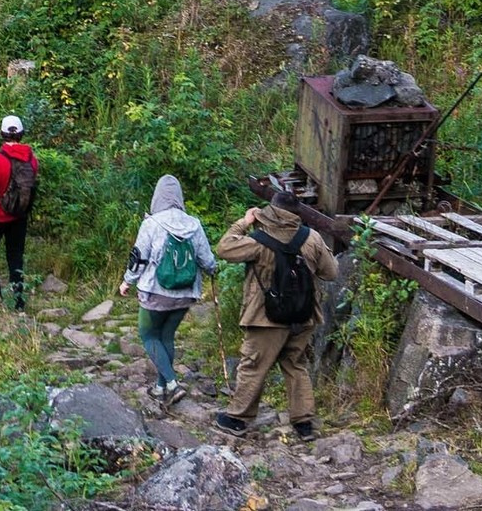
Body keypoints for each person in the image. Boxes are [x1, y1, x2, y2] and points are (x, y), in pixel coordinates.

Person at [212, 181, 340, 441]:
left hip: (265, 317)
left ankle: (238, 418)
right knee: (296, 364)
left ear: (271, 211)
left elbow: (223, 248)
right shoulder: (311, 237)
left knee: (253, 365)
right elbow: (331, 272)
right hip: (304, 316)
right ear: (297, 213)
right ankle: (304, 424)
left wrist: (243, 222)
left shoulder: (258, 241)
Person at [119, 174, 218, 407]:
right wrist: (213, 271)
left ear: (157, 197)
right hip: (185, 294)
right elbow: (207, 260)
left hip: (155, 291)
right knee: (166, 336)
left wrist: (127, 281)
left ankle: (172, 384)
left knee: (147, 334)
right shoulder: (194, 224)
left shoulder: (151, 223)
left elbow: (139, 258)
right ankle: (161, 387)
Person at [0, 114, 39, 308]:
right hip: (19, 216)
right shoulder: (32, 160)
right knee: (15, 256)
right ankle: (18, 300)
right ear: (21, 134)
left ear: (2, 134)